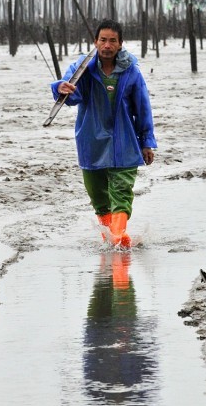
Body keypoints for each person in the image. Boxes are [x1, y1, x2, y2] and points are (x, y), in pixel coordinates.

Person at [50, 18, 157, 247]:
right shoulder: (83, 68)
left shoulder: (131, 72)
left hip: (125, 141)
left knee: (121, 190)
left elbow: (143, 108)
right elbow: (71, 93)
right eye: (103, 40)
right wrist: (61, 87)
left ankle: (118, 239)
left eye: (112, 41)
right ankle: (111, 240)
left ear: (120, 44)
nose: (107, 45)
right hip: (92, 139)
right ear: (95, 42)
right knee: (98, 196)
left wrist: (147, 142)